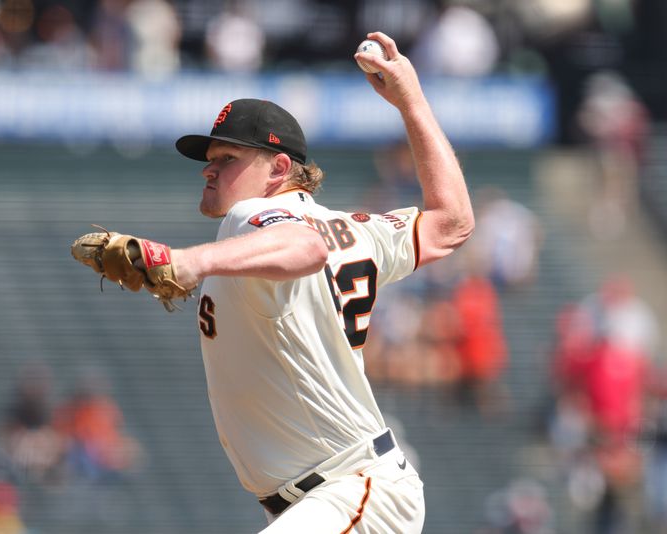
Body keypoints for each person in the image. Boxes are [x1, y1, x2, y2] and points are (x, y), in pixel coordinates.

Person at [74, 31, 473, 532]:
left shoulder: (252, 215)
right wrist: (411, 99)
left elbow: (306, 248)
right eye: (210, 159)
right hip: (341, 494)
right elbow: (451, 222)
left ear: (279, 168)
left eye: (227, 160)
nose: (209, 171)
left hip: (346, 488)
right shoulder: (360, 229)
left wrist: (188, 261)